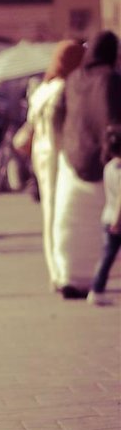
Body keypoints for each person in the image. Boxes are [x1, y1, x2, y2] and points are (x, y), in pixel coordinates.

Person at [52, 30, 121, 297]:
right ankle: (100, 279)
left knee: (71, 224)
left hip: (72, 160)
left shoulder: (72, 79)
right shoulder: (111, 80)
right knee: (105, 225)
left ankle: (71, 276)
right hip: (105, 163)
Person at [22, 40, 85, 290]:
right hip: (59, 155)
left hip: (42, 154)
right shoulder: (64, 88)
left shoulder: (43, 88)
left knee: (50, 212)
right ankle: (62, 271)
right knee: (62, 212)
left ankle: (56, 270)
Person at [88, 125, 121, 306]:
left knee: (107, 257)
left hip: (106, 218)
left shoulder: (109, 167)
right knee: (108, 257)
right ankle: (97, 290)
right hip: (116, 220)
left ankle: (96, 289)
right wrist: (117, 221)